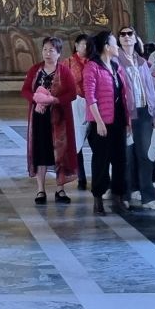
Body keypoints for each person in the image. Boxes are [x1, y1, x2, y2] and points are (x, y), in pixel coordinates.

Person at [23, 36, 78, 204]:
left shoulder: (64, 71)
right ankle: (41, 189)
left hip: (58, 118)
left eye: (51, 50)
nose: (47, 53)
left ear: (59, 53)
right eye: (45, 49)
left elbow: (72, 93)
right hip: (39, 117)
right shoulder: (35, 70)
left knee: (59, 153)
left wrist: (54, 100)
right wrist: (36, 98)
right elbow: (25, 90)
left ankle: (60, 189)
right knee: (40, 152)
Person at [82, 30, 131, 215]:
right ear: (106, 47)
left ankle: (118, 198)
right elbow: (90, 96)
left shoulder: (116, 66)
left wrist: (127, 120)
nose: (117, 46)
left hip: (118, 119)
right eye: (114, 43)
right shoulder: (92, 67)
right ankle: (98, 198)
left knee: (120, 160)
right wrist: (99, 121)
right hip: (101, 122)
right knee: (101, 160)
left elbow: (122, 95)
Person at [117, 25, 155, 210]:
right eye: (123, 34)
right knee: (126, 156)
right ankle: (124, 194)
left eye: (130, 34)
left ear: (136, 38)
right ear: (119, 39)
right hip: (126, 113)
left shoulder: (142, 62)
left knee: (145, 155)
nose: (127, 37)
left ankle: (147, 196)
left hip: (144, 112)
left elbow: (151, 88)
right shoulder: (115, 61)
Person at [68, 33, 91, 191]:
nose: (85, 47)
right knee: (77, 143)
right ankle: (81, 177)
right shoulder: (67, 63)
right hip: (75, 104)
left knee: (96, 141)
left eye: (87, 44)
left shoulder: (93, 62)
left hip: (92, 104)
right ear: (76, 45)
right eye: (82, 44)